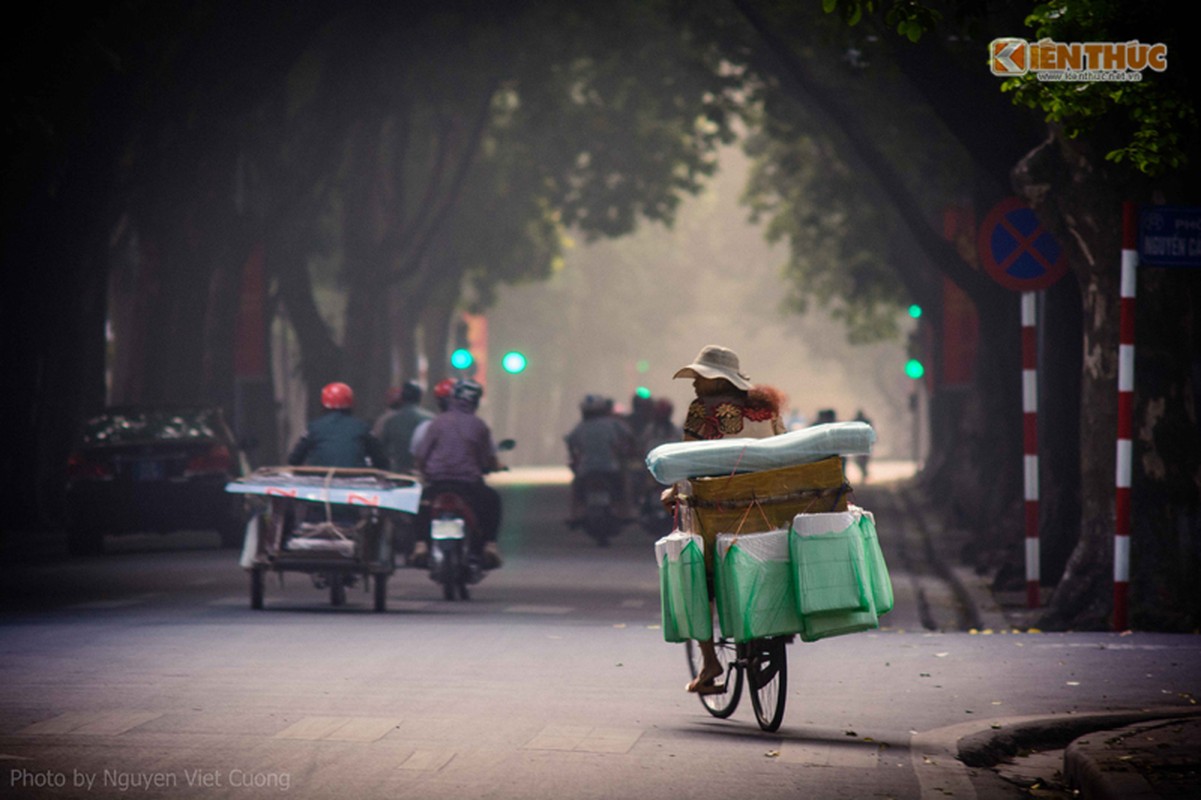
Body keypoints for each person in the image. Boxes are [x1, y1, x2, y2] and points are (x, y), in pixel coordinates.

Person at [670, 345, 786, 695]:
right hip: (768, 508)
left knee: (694, 578)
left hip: (718, 512)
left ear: (716, 381)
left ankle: (709, 663)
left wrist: (673, 491)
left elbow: (687, 462)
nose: (695, 386)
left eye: (700, 379)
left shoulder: (702, 410)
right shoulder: (767, 410)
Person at [412, 379, 504, 569]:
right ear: (475, 401)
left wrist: (422, 470)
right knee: (493, 500)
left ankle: (420, 544)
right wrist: (492, 466)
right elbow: (487, 458)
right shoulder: (479, 425)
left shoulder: (437, 423)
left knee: (419, 504)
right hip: (468, 485)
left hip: (438, 483)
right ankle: (490, 545)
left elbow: (422, 454)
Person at [565, 394, 636, 522]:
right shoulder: (613, 424)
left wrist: (574, 457)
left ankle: (575, 514)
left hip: (587, 469)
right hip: (610, 468)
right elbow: (629, 437)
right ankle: (625, 512)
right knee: (623, 486)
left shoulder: (581, 427)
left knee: (577, 489)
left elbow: (570, 442)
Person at [288, 382, 389, 470]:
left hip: (321, 484)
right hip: (356, 484)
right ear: (351, 403)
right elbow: (380, 460)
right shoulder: (362, 427)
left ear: (323, 403)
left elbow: (294, 459)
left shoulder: (314, 428)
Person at [374, 381, 433, 475]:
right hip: (423, 474)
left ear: (402, 398)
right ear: (420, 397)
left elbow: (381, 449)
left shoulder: (390, 420)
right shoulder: (430, 419)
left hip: (397, 473)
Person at [853, 408, 872, 482]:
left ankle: (864, 474)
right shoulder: (866, 421)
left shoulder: (855, 422)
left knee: (861, 461)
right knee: (862, 461)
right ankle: (865, 473)